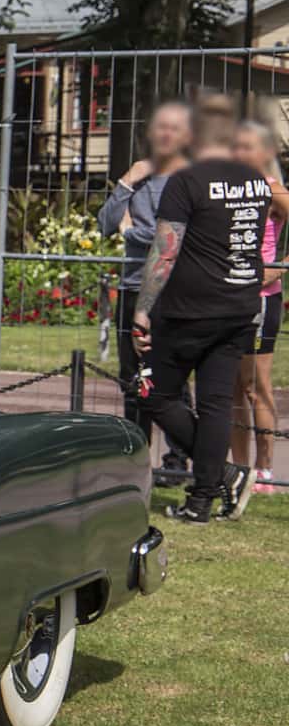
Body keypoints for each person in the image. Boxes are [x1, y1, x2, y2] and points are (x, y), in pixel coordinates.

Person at [132, 103, 264, 522]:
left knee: (153, 393)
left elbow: (165, 251)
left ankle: (221, 472)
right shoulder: (257, 182)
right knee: (216, 404)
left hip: (190, 309)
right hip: (240, 304)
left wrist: (142, 308)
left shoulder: (185, 182)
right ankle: (202, 500)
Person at [100, 101, 192, 446]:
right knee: (130, 377)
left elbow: (171, 238)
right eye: (159, 128)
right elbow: (105, 224)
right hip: (132, 286)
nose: (165, 135)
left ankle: (178, 457)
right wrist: (127, 181)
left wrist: (130, 232)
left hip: (172, 290)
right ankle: (138, 450)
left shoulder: (189, 180)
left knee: (173, 376)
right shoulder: (138, 178)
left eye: (173, 128)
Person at [231, 119, 286, 493]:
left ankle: (265, 469)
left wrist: (280, 265)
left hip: (262, 300)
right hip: (227, 297)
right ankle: (239, 468)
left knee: (257, 387)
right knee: (231, 388)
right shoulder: (229, 190)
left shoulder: (274, 191)